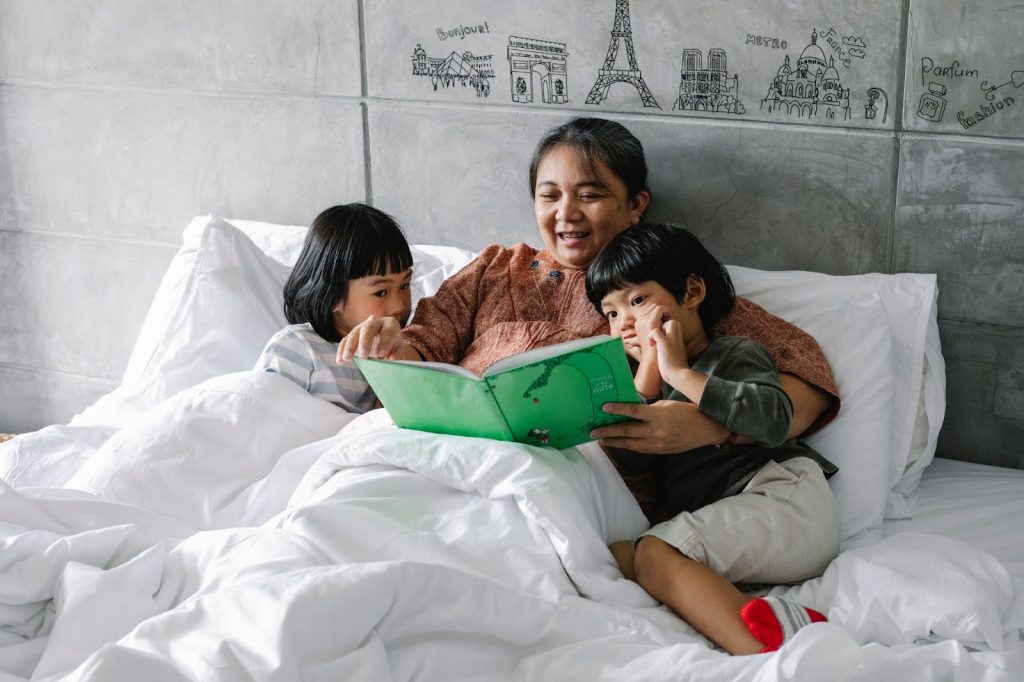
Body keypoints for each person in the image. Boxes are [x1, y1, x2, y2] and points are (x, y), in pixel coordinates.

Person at [339, 115, 839, 456]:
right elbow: (424, 357)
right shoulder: (495, 269)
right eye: (549, 195)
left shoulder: (664, 289)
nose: (566, 214)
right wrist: (387, 342)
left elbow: (806, 376)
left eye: (590, 195)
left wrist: (710, 428)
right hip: (453, 456)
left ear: (636, 204)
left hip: (577, 482)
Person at [585, 222, 839, 655]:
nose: (624, 322)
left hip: (785, 498)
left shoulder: (733, 353)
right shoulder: (637, 381)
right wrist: (649, 373)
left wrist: (680, 374)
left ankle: (774, 652)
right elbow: (634, 467)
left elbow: (774, 419)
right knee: (618, 557)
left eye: (638, 300)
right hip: (742, 521)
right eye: (611, 313)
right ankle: (766, 616)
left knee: (653, 554)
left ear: (692, 292)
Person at [255, 203, 413, 412]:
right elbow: (263, 415)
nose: (399, 305)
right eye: (381, 292)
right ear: (332, 296)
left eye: (404, 286)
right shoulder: (298, 347)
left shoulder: (399, 350)